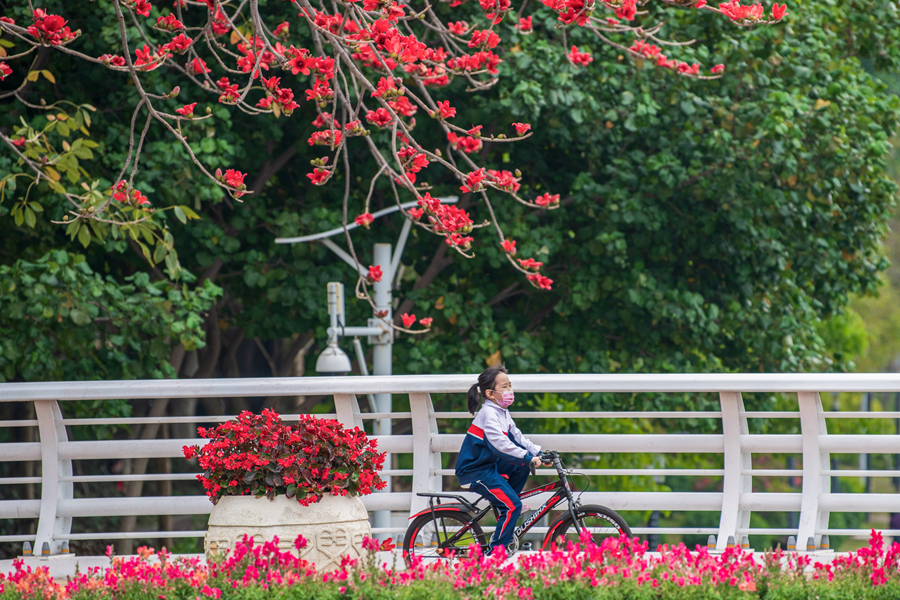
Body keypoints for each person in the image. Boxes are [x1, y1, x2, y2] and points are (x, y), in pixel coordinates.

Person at [455, 365, 543, 554]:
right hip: (474, 471)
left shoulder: (502, 412)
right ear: (490, 393)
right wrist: (527, 457)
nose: (510, 390)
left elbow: (518, 437)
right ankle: (495, 555)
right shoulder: (488, 414)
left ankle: (506, 502)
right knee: (513, 506)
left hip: (489, 466)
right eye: (504, 387)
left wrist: (539, 453)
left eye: (510, 385)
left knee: (522, 466)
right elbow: (501, 445)